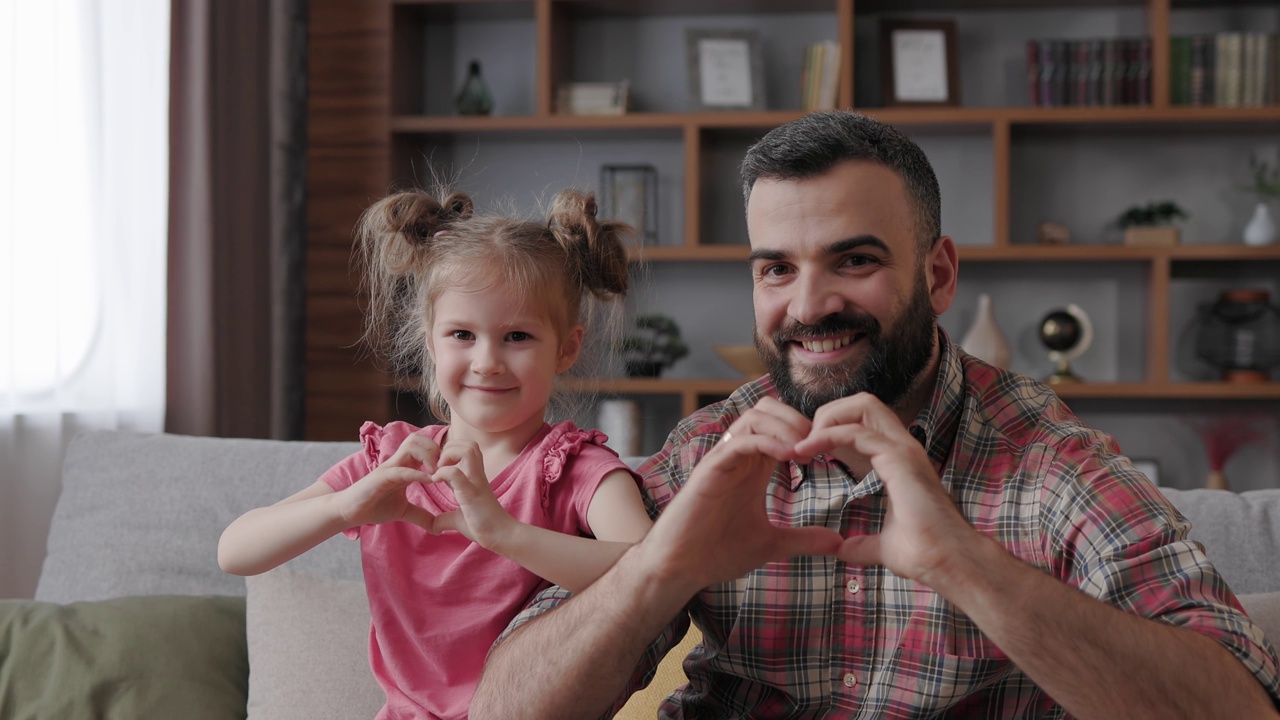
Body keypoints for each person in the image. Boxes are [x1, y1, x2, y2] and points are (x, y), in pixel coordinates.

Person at [469, 111, 1280, 719]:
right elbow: (502, 710)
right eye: (777, 269)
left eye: (854, 260)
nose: (809, 305)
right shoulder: (710, 451)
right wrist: (660, 570)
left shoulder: (1047, 458)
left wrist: (963, 565)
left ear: (938, 274)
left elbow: (1242, 707)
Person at [217, 188, 653, 720]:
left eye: (517, 336)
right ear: (431, 342)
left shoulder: (575, 469)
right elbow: (235, 551)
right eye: (462, 335)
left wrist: (501, 532)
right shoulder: (392, 461)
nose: (487, 361)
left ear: (566, 347)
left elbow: (652, 570)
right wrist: (343, 508)